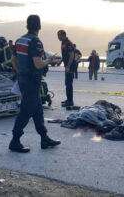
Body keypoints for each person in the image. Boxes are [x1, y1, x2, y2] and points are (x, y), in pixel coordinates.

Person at [9, 15, 60, 153]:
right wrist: (49, 60)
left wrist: (20, 72)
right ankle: (15, 141)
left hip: (23, 79)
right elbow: (38, 64)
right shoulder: (35, 42)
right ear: (39, 27)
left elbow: (13, 60)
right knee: (25, 112)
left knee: (38, 111)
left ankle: (44, 138)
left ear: (27, 26)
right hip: (32, 81)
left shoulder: (20, 40)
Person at [57, 30, 75, 107]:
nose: (58, 37)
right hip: (66, 65)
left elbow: (71, 56)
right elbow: (64, 54)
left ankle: (70, 101)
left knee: (69, 84)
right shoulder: (63, 43)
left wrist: (68, 66)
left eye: (59, 35)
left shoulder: (69, 43)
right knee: (67, 83)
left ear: (63, 35)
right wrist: (60, 61)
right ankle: (68, 99)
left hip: (70, 66)